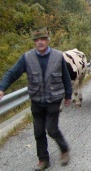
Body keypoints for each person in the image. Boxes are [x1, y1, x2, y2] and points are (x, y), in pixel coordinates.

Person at [0, 27, 72, 170]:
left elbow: (65, 76)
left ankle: (64, 149)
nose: (40, 42)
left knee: (51, 130)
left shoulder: (58, 56)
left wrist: (68, 95)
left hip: (53, 99)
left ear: (47, 40)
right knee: (38, 132)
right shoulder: (27, 57)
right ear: (34, 42)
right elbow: (12, 73)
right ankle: (43, 160)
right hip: (37, 100)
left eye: (42, 39)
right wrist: (2, 88)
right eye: (37, 40)